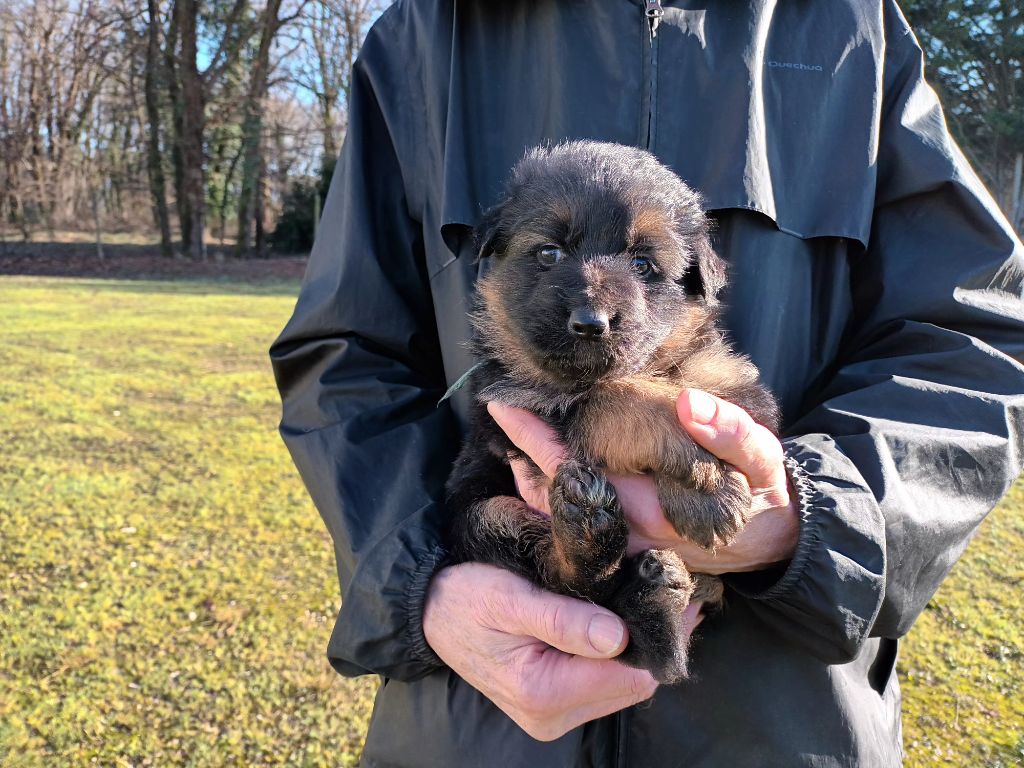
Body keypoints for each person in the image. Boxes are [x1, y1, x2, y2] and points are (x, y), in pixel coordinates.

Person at [269, 0, 1024, 765]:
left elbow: (975, 333)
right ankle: (576, 560)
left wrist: (817, 511)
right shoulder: (427, 33)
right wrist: (421, 589)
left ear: (698, 282)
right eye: (544, 254)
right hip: (475, 726)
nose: (593, 306)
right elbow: (345, 353)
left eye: (643, 264)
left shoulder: (852, 27)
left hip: (780, 724)